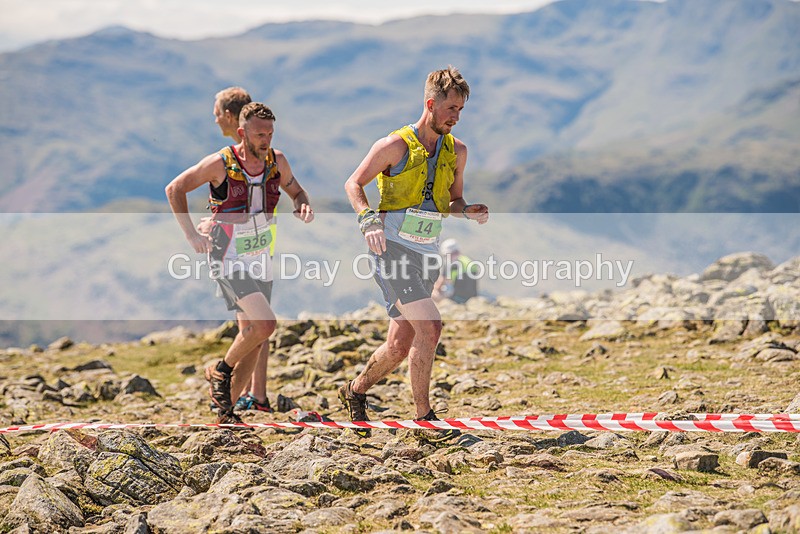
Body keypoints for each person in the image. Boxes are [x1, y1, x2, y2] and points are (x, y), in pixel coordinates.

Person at [342, 66, 489, 442]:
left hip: (427, 253)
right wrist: (368, 220)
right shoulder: (394, 146)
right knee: (431, 326)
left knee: (398, 345)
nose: (456, 118)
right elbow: (353, 184)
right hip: (390, 250)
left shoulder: (458, 151)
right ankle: (425, 417)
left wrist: (468, 210)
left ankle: (355, 390)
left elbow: (454, 200)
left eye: (461, 110)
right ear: (430, 104)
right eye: (451, 109)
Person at [166, 102, 314, 424]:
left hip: (260, 257)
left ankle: (226, 414)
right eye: (260, 134)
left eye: (270, 133)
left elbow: (298, 192)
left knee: (255, 337)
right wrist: (191, 235)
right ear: (242, 133)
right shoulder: (220, 163)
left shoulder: (277, 161)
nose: (266, 140)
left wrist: (302, 205)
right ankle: (221, 371)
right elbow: (174, 189)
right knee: (265, 324)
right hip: (227, 256)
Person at [204, 87, 272, 413]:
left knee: (257, 325)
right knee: (256, 326)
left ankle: (252, 394)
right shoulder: (239, 156)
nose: (215, 119)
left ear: (230, 116)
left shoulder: (255, 154)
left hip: (250, 250)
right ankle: (249, 396)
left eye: (217, 113)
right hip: (251, 248)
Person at [432, 238, 479, 304]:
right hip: (471, 299)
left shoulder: (450, 262)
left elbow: (440, 283)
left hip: (456, 298)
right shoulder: (469, 260)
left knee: (431, 292)